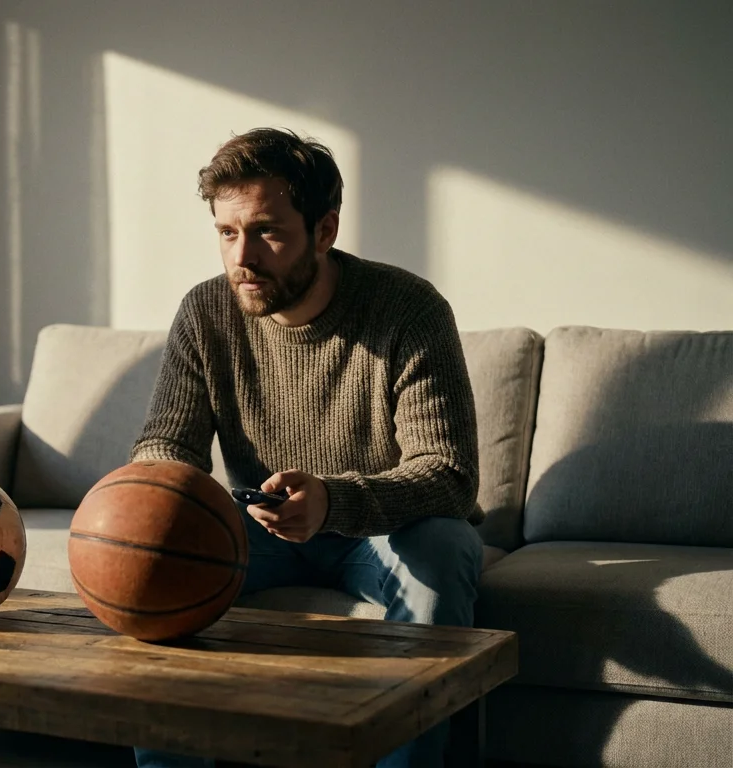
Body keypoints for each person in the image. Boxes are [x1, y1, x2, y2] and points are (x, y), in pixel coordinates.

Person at [129, 128, 483, 768]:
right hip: (259, 525)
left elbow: (449, 474)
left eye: (266, 231)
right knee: (150, 546)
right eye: (227, 232)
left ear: (325, 230)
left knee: (444, 544)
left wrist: (332, 501)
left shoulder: (408, 309)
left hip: (384, 530)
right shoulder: (205, 312)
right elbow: (167, 443)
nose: (242, 257)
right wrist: (152, 496)